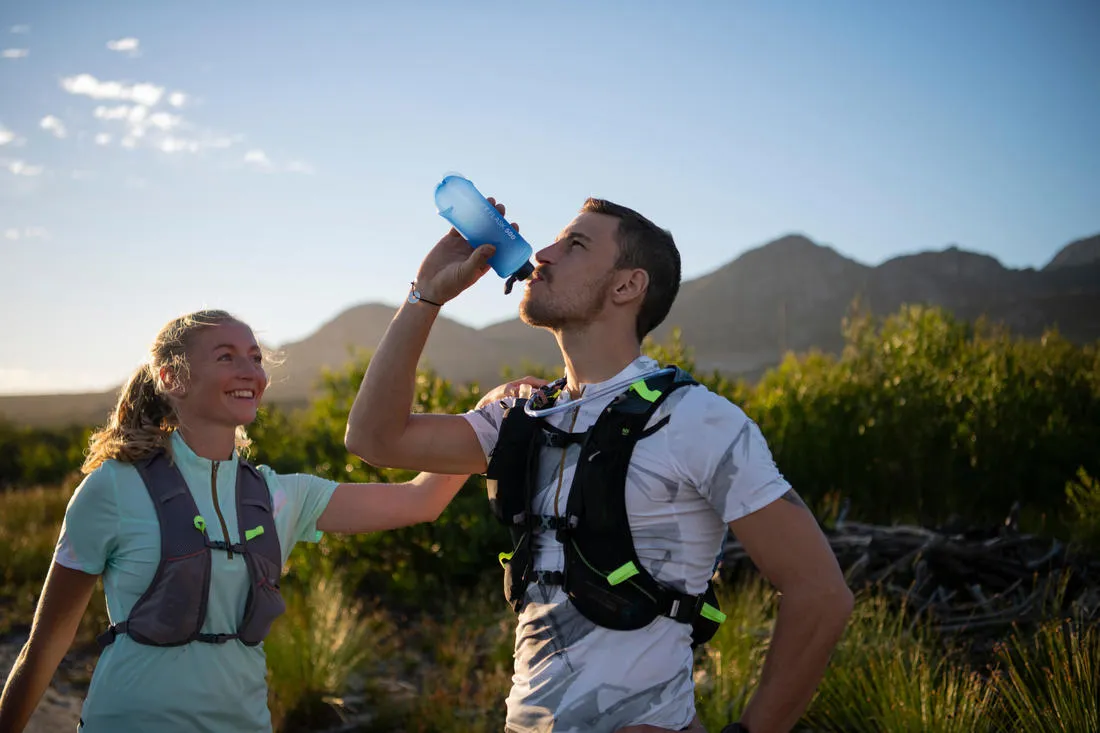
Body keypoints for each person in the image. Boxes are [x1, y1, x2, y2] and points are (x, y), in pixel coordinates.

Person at [344, 198, 854, 733]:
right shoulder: (522, 417)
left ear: (627, 286)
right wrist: (427, 293)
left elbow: (820, 594)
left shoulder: (696, 419)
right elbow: (374, 438)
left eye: (575, 245)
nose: (542, 253)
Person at [0, 309, 517, 733]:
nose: (250, 371)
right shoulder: (112, 487)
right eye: (227, 357)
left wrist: (487, 419)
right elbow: (46, 643)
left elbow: (419, 502)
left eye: (255, 358)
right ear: (171, 378)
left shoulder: (278, 495)